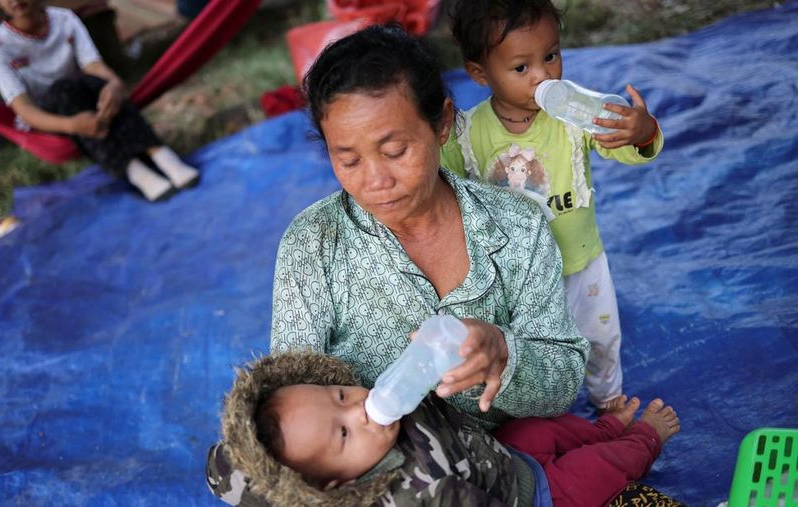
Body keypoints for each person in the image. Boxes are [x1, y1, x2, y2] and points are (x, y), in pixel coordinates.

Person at [269, 24, 589, 431]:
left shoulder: (516, 226)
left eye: (394, 151)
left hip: (506, 463)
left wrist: (506, 355)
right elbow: (292, 401)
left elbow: (563, 379)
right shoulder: (313, 244)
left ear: (442, 124)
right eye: (348, 160)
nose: (375, 180)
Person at [441, 0, 665, 409]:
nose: (544, 76)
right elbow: (440, 186)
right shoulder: (468, 135)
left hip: (580, 263)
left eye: (551, 56)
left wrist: (641, 130)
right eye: (522, 68)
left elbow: (626, 147)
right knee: (531, 349)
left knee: (601, 337)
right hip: (514, 279)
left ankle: (607, 398)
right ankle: (539, 411)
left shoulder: (573, 116)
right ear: (480, 73)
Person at [206, 351, 683, 506]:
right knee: (601, 469)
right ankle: (644, 438)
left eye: (341, 397)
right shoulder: (419, 498)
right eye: (344, 435)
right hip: (534, 498)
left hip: (502, 456)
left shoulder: (381, 404)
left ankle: (605, 428)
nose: (362, 412)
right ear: (334, 484)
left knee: (545, 429)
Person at [0, 0, 200, 201]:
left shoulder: (64, 19)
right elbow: (24, 109)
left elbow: (94, 66)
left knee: (98, 85)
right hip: (48, 119)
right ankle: (135, 171)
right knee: (63, 90)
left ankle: (160, 154)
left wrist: (114, 86)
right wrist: (72, 125)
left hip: (80, 98)